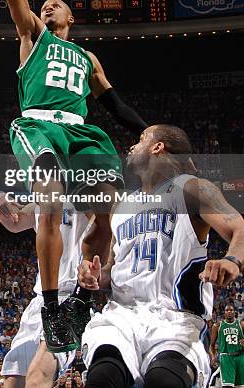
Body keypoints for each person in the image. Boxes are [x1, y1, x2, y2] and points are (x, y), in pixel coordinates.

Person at [0, 0, 148, 353]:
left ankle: (83, 294)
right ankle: (51, 305)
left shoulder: (87, 57)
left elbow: (113, 104)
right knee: (49, 196)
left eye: (56, 3)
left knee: (109, 202)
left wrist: (145, 130)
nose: (48, 4)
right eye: (44, 2)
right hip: (39, 124)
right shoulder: (32, 35)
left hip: (82, 131)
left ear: (72, 15)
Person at [78, 125, 244, 388]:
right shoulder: (120, 206)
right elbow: (112, 269)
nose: (133, 146)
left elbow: (239, 227)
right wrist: (97, 276)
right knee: (103, 376)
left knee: (162, 380)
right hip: (123, 316)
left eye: (142, 139)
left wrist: (231, 260)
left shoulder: (190, 189)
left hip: (176, 317)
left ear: (158, 147)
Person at [0, 192, 91, 388]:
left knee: (38, 376)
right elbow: (14, 223)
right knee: (12, 381)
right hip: (40, 300)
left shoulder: (87, 192)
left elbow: (106, 226)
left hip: (70, 296)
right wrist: (0, 201)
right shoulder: (41, 201)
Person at [210, 304, 244, 387]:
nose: (229, 312)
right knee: (227, 386)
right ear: (224, 313)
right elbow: (211, 345)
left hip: (240, 357)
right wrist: (213, 357)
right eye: (227, 310)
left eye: (231, 310)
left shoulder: (241, 324)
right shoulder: (217, 325)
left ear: (234, 312)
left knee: (240, 386)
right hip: (226, 358)